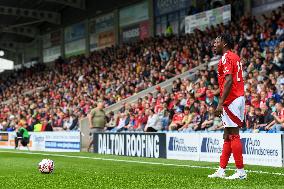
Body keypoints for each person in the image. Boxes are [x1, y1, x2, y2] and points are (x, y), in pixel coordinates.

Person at [208, 33, 247, 179]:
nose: (214, 45)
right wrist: (216, 92)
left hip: (232, 100)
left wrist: (219, 103)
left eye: (216, 42)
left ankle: (241, 172)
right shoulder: (234, 57)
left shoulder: (226, 58)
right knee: (227, 135)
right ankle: (221, 169)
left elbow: (230, 81)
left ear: (224, 43)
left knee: (233, 134)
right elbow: (229, 82)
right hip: (235, 98)